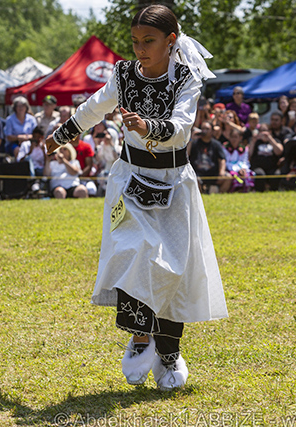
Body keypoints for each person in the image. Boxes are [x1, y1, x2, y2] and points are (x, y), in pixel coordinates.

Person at [45, 5, 227, 390]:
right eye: (134, 41)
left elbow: (181, 128)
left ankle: (169, 353)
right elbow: (95, 107)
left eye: (149, 41)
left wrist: (147, 126)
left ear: (171, 41)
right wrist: (61, 135)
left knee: (172, 270)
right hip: (129, 180)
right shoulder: (123, 74)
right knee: (133, 251)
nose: (140, 49)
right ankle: (141, 337)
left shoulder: (186, 79)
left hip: (174, 184)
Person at [189, 120, 229, 193]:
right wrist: (191, 139)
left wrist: (222, 171)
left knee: (228, 177)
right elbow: (187, 155)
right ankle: (201, 195)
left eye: (207, 129)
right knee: (194, 179)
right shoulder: (194, 143)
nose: (204, 131)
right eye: (203, 128)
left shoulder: (216, 144)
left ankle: (218, 195)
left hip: (213, 173)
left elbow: (222, 159)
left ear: (212, 131)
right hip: (198, 174)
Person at [248, 122, 284, 192]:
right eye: (261, 131)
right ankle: (259, 191)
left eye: (265, 131)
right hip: (258, 167)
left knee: (276, 175)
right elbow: (249, 154)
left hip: (272, 167)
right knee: (260, 174)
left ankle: (273, 191)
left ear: (270, 132)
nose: (263, 133)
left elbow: (279, 151)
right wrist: (253, 141)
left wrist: (270, 139)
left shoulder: (276, 141)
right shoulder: (255, 141)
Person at [223, 128, 254, 192]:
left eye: (236, 137)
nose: (234, 139)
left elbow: (244, 161)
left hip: (241, 168)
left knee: (248, 174)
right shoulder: (225, 148)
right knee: (235, 175)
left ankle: (246, 190)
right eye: (232, 137)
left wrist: (243, 169)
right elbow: (226, 161)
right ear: (229, 137)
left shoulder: (243, 149)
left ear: (240, 138)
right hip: (229, 168)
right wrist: (236, 169)